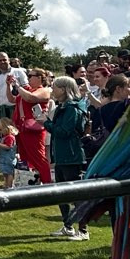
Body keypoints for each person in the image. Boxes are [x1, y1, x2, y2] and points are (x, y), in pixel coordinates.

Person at [45, 76, 92, 240]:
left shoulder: (72, 108)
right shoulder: (63, 107)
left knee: (75, 194)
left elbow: (64, 131)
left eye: (55, 87)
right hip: (62, 155)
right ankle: (68, 225)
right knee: (61, 193)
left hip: (72, 156)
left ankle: (83, 230)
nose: (52, 90)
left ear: (64, 89)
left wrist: (46, 123)